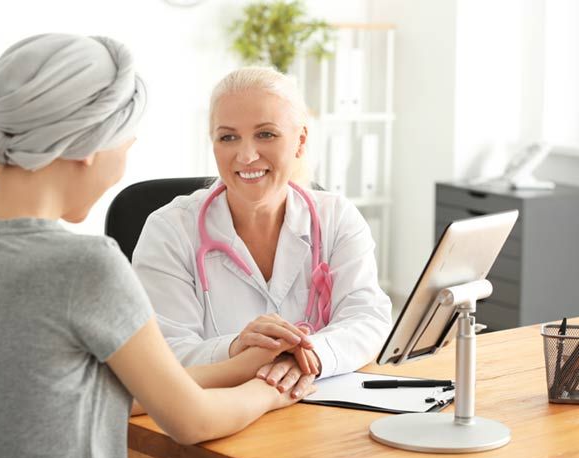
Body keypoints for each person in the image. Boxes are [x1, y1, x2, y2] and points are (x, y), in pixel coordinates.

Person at [0, 35, 314, 458]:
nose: (120, 170)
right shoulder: (84, 267)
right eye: (125, 148)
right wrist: (273, 389)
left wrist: (241, 366)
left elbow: (96, 391)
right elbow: (192, 421)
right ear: (90, 145)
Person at [133, 66, 393, 394]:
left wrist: (305, 358)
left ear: (300, 141)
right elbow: (163, 352)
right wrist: (237, 350)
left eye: (265, 134)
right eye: (228, 137)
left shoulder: (336, 218)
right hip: (215, 415)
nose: (246, 155)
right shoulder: (170, 230)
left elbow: (368, 319)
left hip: (314, 411)